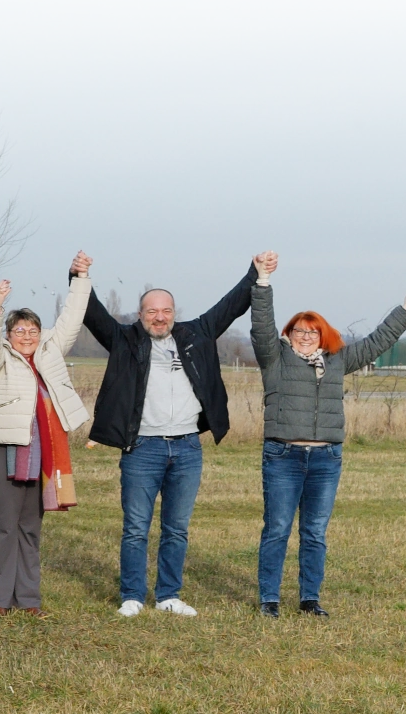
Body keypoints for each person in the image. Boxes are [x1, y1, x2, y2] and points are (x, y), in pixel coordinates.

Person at [82, 254, 264, 618]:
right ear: (140, 314)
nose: (159, 317)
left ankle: (168, 595)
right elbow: (91, 312)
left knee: (177, 529)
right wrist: (79, 276)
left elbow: (232, 305)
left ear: (174, 313)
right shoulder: (124, 340)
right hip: (142, 448)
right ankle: (131, 595)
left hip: (186, 448)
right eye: (152, 311)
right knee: (135, 528)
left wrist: (256, 273)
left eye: (166, 311)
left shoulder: (197, 333)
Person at [249, 257, 406, 617]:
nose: (307, 337)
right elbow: (261, 325)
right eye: (299, 331)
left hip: (326, 459)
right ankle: (269, 600)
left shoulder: (338, 360)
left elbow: (377, 342)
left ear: (322, 335)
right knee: (278, 529)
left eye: (313, 332)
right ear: (289, 335)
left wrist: (405, 310)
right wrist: (263, 281)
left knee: (314, 532)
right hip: (283, 457)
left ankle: (310, 599)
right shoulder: (275, 359)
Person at [0, 254, 94, 619]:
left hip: (43, 454)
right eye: (19, 330)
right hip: (2, 451)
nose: (26, 335)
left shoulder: (49, 353)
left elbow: (71, 320)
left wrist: (81, 279)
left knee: (30, 527)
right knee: (4, 526)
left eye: (32, 330)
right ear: (9, 335)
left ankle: (27, 599)